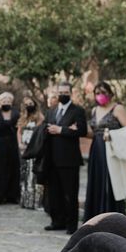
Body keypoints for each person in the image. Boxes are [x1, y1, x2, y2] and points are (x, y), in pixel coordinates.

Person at [83, 81, 126, 221]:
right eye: (97, 93)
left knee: (111, 184)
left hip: (111, 151)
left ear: (110, 94)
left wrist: (112, 134)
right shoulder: (94, 110)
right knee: (96, 182)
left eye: (103, 93)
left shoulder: (117, 109)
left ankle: (112, 220)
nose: (100, 96)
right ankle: (95, 219)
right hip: (96, 151)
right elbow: (93, 132)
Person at [44, 81, 87, 234]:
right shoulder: (51, 111)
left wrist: (61, 130)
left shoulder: (78, 111)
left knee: (70, 194)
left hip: (69, 160)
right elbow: (46, 129)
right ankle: (57, 222)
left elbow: (81, 131)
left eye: (66, 92)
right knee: (54, 194)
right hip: (52, 159)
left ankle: (71, 226)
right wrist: (68, 128)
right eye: (60, 92)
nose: (63, 94)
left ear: (70, 93)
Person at [0, 92, 21, 205]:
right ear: (0, 103)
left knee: (14, 169)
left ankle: (13, 196)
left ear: (11, 102)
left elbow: (20, 129)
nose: (6, 103)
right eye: (4, 101)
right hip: (0, 144)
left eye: (8, 101)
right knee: (0, 170)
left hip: (13, 144)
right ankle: (1, 196)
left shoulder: (17, 114)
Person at [17, 96, 45, 209]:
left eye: (30, 103)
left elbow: (39, 133)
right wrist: (20, 144)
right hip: (23, 149)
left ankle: (36, 202)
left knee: (33, 175)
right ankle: (26, 201)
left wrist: (32, 146)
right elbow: (19, 132)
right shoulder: (23, 117)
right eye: (26, 104)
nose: (29, 105)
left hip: (33, 149)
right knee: (24, 174)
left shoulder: (40, 117)